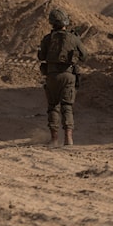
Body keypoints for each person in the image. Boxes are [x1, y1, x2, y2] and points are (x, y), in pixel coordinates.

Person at [37, 8, 86, 147]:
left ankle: (54, 139)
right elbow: (84, 56)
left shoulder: (47, 38)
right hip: (68, 75)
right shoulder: (73, 38)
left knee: (53, 107)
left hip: (52, 76)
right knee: (67, 107)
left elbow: (41, 57)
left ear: (51, 23)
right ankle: (69, 139)